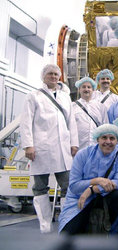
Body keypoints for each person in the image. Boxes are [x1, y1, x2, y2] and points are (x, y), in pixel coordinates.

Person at [20, 64, 79, 233]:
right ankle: (45, 224)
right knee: (40, 187)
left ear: (59, 77)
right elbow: (26, 122)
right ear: (43, 76)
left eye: (55, 74)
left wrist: (73, 143)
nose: (53, 77)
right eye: (50, 74)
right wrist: (28, 145)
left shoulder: (65, 97)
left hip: (62, 148)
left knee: (67, 185)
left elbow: (71, 122)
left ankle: (66, 220)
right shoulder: (33, 96)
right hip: (40, 148)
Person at [59, 124, 118, 235]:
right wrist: (97, 180)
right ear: (97, 139)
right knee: (67, 234)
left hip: (105, 196)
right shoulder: (83, 154)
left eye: (112, 138)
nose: (108, 141)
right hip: (80, 198)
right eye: (104, 137)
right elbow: (74, 186)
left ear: (117, 140)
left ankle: (103, 228)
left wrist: (92, 189)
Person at [72, 77, 108, 150]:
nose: (86, 89)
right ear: (79, 90)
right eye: (83, 87)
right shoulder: (72, 106)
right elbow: (70, 127)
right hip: (79, 147)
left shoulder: (100, 107)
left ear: (93, 90)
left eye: (89, 87)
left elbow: (105, 126)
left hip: (97, 147)